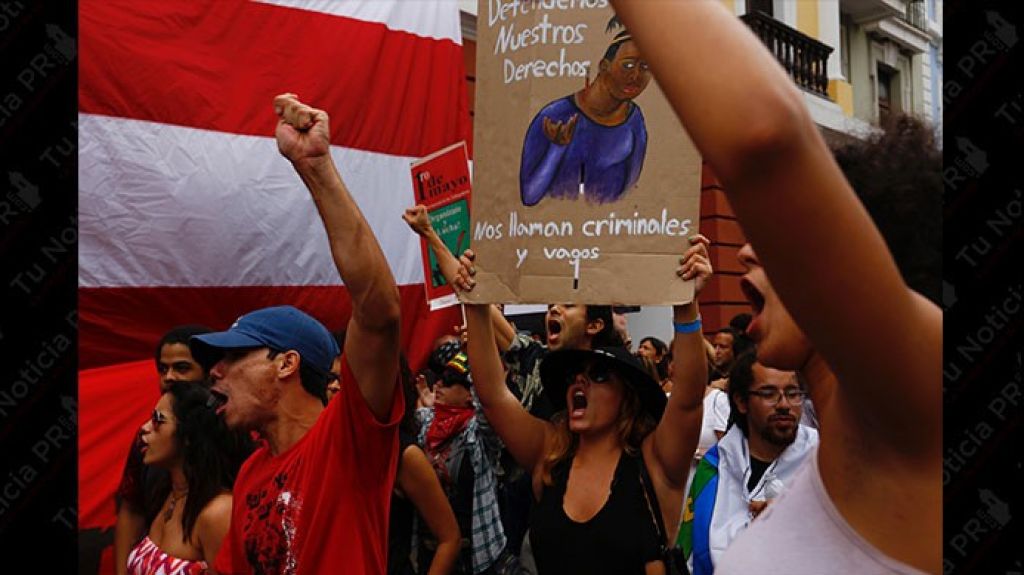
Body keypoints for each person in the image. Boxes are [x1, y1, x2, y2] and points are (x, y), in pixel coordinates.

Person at [609, 2, 941, 572]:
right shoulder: (833, 455)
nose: (746, 251)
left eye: (784, 241)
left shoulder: (912, 409)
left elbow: (764, 135)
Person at [192, 94, 404, 575]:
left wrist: (316, 167)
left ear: (286, 363)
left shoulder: (348, 439)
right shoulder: (250, 473)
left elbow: (379, 311)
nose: (216, 372)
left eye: (234, 356)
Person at [458, 235, 712, 574]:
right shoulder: (548, 454)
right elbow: (493, 395)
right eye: (574, 375)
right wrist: (475, 302)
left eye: (599, 375)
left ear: (628, 395)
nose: (580, 381)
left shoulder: (656, 462)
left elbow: (688, 400)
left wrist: (686, 303)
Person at [677, 353, 818, 575]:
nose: (784, 405)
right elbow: (690, 554)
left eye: (793, 394)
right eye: (769, 394)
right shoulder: (715, 466)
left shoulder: (823, 461)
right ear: (742, 402)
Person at [115, 324, 214, 575]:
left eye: (181, 368)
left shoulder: (240, 436)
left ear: (211, 372)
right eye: (163, 369)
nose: (169, 377)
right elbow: (131, 508)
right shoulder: (148, 439)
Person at [519, 18, 650, 206]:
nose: (636, 76)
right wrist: (557, 149)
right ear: (604, 66)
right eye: (627, 65)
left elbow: (632, 192)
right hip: (558, 223)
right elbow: (529, 196)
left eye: (645, 67)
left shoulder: (634, 121)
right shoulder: (554, 116)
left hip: (611, 223)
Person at [127, 382, 253, 575]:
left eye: (157, 419)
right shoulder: (168, 493)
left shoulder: (219, 513)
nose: (144, 428)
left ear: (189, 435)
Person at [416, 352, 508, 574]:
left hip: (473, 556)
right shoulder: (427, 423)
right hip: (427, 551)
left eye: (449, 381)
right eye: (440, 378)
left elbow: (489, 404)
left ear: (470, 394)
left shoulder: (479, 433)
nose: (439, 384)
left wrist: (478, 358)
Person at [390, 357, 461, 575]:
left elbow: (449, 539)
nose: (336, 387)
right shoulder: (339, 442)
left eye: (449, 382)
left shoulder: (405, 454)